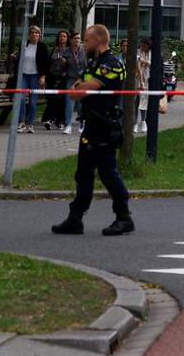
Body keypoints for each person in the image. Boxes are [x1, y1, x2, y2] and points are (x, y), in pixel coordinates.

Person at [52, 24, 133, 236]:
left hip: (105, 127)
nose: (84, 44)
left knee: (108, 174)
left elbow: (82, 90)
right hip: (90, 126)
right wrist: (80, 89)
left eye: (87, 40)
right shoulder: (94, 63)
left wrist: (81, 89)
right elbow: (75, 91)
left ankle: (124, 217)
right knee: (83, 174)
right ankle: (75, 219)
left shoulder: (111, 64)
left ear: (97, 41)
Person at [14, 25, 50, 133]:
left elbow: (45, 63)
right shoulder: (24, 45)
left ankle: (30, 123)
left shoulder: (42, 47)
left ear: (39, 35)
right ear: (29, 35)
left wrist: (43, 76)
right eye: (32, 33)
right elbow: (19, 60)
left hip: (35, 76)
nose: (34, 35)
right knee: (20, 99)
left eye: (36, 33)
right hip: (24, 75)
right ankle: (21, 122)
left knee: (33, 102)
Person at [44, 30, 73, 130]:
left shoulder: (69, 50)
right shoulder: (54, 49)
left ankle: (60, 120)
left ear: (67, 38)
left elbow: (71, 63)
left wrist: (65, 62)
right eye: (60, 36)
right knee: (52, 98)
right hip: (53, 76)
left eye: (64, 36)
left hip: (64, 77)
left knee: (61, 100)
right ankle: (50, 119)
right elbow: (48, 63)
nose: (62, 38)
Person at [61, 35, 86, 135]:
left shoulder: (84, 51)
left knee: (80, 104)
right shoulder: (66, 51)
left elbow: (88, 64)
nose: (77, 40)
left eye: (79, 38)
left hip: (82, 80)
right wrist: (63, 63)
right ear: (71, 40)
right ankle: (68, 125)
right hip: (70, 79)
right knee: (69, 103)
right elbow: (62, 66)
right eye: (75, 38)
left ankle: (81, 123)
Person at [134, 39, 152, 133]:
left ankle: (143, 121)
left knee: (144, 102)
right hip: (137, 80)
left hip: (146, 80)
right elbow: (137, 61)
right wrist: (144, 62)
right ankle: (135, 123)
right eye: (142, 45)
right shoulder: (137, 52)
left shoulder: (151, 53)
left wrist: (144, 62)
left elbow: (151, 63)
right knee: (135, 102)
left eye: (145, 46)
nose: (143, 47)